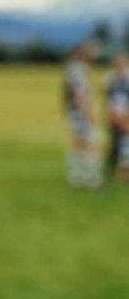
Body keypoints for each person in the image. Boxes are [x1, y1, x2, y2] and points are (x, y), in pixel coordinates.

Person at [63, 43, 102, 190]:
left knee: (78, 145)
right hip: (81, 116)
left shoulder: (71, 70)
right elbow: (80, 96)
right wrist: (88, 114)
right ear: (83, 55)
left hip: (74, 115)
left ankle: (76, 177)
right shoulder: (79, 72)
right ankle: (92, 179)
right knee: (94, 144)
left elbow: (66, 95)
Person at [105, 51, 129, 183]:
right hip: (115, 115)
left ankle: (123, 172)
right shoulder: (111, 80)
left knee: (124, 144)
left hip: (125, 115)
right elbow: (111, 100)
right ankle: (113, 171)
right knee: (116, 144)